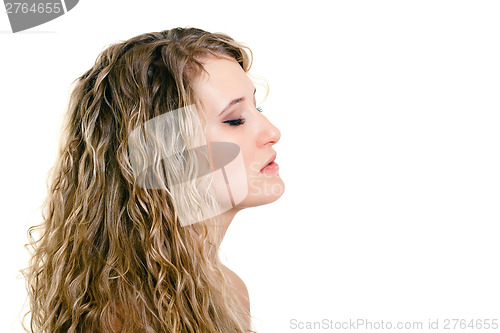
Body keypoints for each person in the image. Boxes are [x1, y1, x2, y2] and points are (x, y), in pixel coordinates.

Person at [23, 27, 284, 333]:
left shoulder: (227, 290)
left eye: (258, 107)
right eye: (235, 119)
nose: (272, 132)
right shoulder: (124, 316)